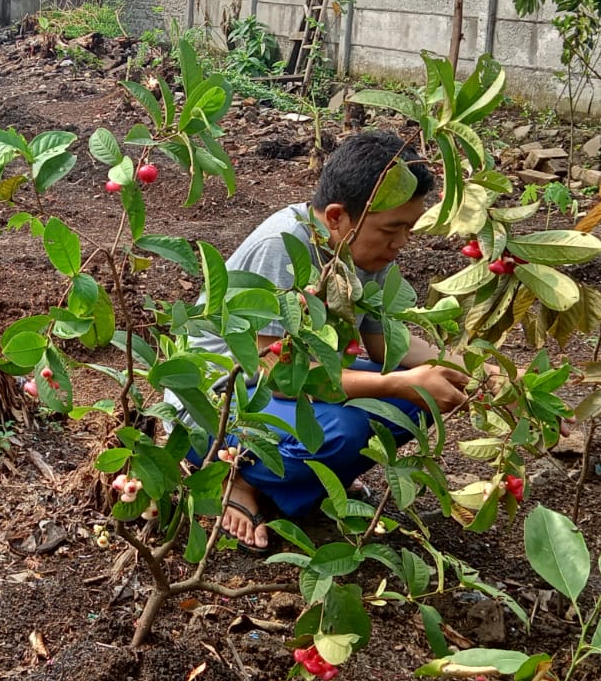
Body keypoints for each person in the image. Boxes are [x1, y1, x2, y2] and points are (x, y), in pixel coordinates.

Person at [181, 130, 471, 551]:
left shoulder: (358, 250)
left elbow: (383, 343)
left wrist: (467, 369)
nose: (402, 243)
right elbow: (276, 373)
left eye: (409, 228)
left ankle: (310, 485)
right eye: (392, 228)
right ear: (337, 216)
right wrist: (398, 383)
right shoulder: (282, 247)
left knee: (427, 394)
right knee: (345, 429)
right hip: (219, 403)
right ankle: (234, 476)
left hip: (287, 383)